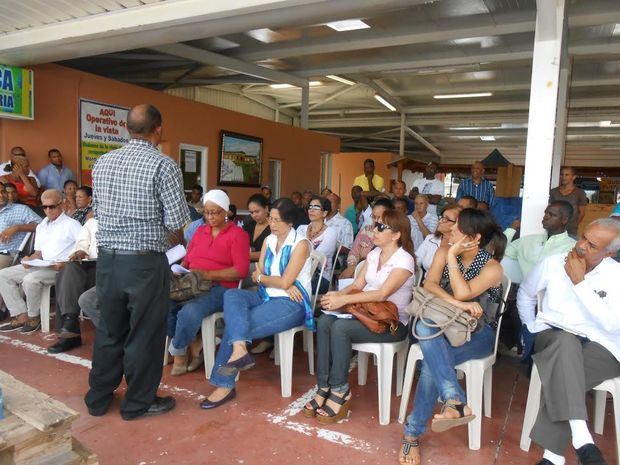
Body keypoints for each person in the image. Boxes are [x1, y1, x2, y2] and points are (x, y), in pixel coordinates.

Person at [85, 104, 191, 421]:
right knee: (144, 332)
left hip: (107, 261)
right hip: (143, 263)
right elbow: (177, 221)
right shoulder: (163, 165)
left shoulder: (101, 163)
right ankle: (137, 403)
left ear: (127, 128)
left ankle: (98, 398)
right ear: (157, 128)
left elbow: (98, 213)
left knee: (109, 329)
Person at [400, 208, 505, 465]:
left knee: (431, 364)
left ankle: (412, 434)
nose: (450, 229)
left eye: (457, 226)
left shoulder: (492, 268)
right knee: (427, 333)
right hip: (441, 326)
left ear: (474, 238)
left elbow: (462, 292)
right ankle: (454, 400)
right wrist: (457, 305)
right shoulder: (443, 250)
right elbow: (430, 285)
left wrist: (453, 256)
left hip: (478, 334)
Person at [517, 219, 620, 465]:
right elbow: (525, 294)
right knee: (565, 342)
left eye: (592, 245)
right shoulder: (553, 262)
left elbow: (612, 325)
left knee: (565, 377)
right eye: (583, 237)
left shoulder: (616, 276)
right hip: (553, 336)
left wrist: (580, 284)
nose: (582, 246)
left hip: (601, 345)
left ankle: (553, 457)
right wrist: (529, 327)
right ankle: (582, 438)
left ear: (609, 253)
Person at [201, 198, 313, 409]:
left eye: (277, 220)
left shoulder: (301, 244)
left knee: (237, 326)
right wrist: (278, 282)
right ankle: (240, 349)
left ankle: (225, 383)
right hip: (266, 295)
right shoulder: (269, 240)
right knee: (233, 295)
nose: (272, 224)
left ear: (290, 222)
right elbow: (257, 274)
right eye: (271, 218)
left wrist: (279, 282)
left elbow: (276, 279)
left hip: (291, 303)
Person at [305, 210, 415, 423]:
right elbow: (357, 285)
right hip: (366, 314)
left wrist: (344, 301)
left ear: (396, 234)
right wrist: (336, 295)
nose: (374, 230)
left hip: (390, 324)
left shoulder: (405, 260)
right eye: (375, 224)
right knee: (326, 320)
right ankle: (324, 385)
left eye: (381, 227)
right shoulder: (374, 255)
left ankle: (340, 390)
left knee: (340, 328)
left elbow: (383, 293)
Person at [168, 189, 250, 376]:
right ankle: (196, 345)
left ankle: (179, 353)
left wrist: (207, 274)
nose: (210, 217)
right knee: (163, 302)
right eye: (206, 212)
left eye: (215, 212)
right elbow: (187, 259)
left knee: (190, 312)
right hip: (192, 281)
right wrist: (181, 270)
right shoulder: (200, 232)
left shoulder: (238, 235)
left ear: (226, 211)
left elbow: (240, 271)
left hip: (221, 288)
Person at [0, 189, 82, 333]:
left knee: (30, 279)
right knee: (3, 275)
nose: (48, 210)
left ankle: (34, 317)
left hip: (62, 268)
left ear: (62, 204)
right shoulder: (42, 225)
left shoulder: (71, 224)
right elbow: (39, 252)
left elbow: (83, 248)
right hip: (43, 264)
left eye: (52, 206)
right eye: (44, 207)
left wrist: (67, 261)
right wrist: (29, 259)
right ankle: (21, 315)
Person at [47, 217, 98, 354]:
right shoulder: (92, 223)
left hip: (111, 266)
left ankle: (70, 328)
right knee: (68, 269)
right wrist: (80, 251)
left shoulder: (124, 220)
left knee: (68, 276)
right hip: (89, 263)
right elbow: (81, 243)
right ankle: (70, 326)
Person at [0, 182, 42, 316]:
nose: (1, 195)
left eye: (3, 191)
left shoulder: (20, 209)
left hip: (8, 253)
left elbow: (42, 225)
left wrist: (17, 227)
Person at [340, 198, 394, 279]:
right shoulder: (366, 230)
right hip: (356, 269)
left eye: (379, 217)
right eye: (373, 216)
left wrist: (362, 260)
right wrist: (351, 267)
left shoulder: (390, 236)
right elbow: (353, 252)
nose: (376, 221)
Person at [296, 196, 338, 294]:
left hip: (320, 277)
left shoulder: (330, 233)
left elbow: (316, 257)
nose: (311, 210)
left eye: (316, 207)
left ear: (325, 213)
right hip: (297, 272)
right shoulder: (301, 229)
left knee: (295, 290)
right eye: (310, 207)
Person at [415, 203, 460, 276]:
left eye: (446, 219)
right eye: (441, 217)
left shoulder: (460, 245)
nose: (440, 221)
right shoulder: (430, 239)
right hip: (426, 283)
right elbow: (416, 261)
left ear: (458, 224)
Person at [549, 166, 587, 238]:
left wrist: (574, 225)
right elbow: (550, 210)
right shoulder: (554, 191)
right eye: (562, 174)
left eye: (567, 175)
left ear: (574, 177)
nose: (563, 177)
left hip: (571, 231)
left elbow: (582, 213)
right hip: (554, 229)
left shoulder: (580, 193)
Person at [244, 193, 271, 262]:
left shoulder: (274, 227)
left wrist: (244, 255)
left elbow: (270, 253)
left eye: (257, 211)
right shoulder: (248, 226)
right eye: (251, 212)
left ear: (266, 208)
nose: (254, 215)